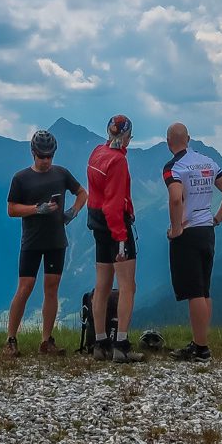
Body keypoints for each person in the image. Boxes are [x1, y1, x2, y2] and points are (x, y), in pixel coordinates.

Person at [2, 130, 86, 358]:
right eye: (42, 156)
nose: (47, 160)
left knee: (51, 288)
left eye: (50, 156)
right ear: (33, 153)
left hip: (56, 241)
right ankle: (10, 339)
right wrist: (36, 209)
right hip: (31, 241)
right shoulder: (21, 178)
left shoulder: (61, 174)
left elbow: (82, 193)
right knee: (25, 288)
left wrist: (72, 212)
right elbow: (11, 209)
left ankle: (46, 341)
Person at [161, 122, 222, 362]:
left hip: (188, 233)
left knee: (193, 292)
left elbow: (175, 199)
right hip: (207, 230)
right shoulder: (208, 162)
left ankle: (201, 349)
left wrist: (175, 229)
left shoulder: (173, 167)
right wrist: (217, 219)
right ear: (189, 139)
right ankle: (200, 342)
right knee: (204, 290)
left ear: (168, 142)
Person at [86, 114, 144, 363]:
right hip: (115, 226)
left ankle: (100, 343)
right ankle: (121, 345)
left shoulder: (97, 152)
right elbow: (113, 204)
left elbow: (97, 194)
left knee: (102, 285)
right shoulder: (118, 162)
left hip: (97, 224)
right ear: (127, 136)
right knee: (127, 286)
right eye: (130, 136)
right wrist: (121, 239)